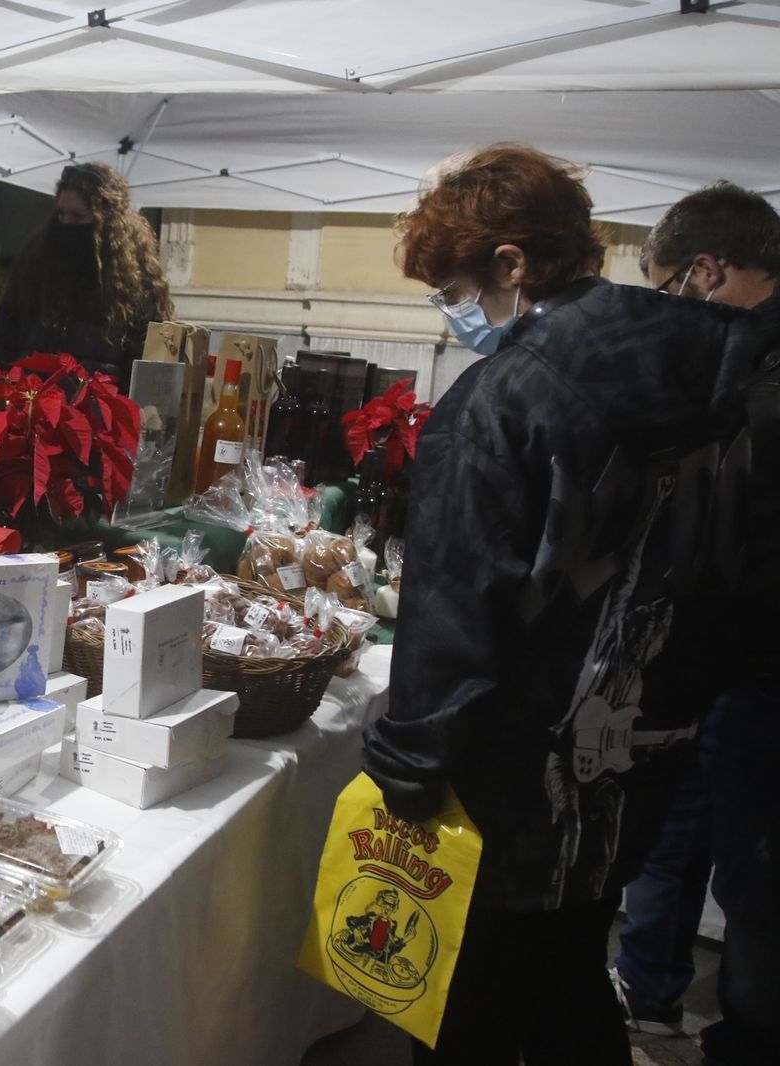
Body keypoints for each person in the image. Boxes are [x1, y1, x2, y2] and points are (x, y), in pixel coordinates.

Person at [360, 144, 762, 1065]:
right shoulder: (715, 363)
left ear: (511, 265)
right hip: (639, 765)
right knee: (571, 977)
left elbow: (453, 624)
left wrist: (409, 769)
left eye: (456, 287)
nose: (454, 313)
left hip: (513, 789)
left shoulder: (499, 404)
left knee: (471, 1013)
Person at [630, 181, 780, 1066]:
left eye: (664, 290)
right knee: (674, 841)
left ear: (705, 272)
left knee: (756, 890)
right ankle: (649, 999)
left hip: (758, 671)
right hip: (715, 664)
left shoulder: (756, 385)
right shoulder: (749, 364)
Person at [0, 162, 174, 390]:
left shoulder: (136, 282)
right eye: (61, 214)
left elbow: (144, 366)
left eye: (78, 216)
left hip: (97, 416)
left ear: (107, 222)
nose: (66, 223)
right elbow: (4, 342)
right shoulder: (37, 261)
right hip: (31, 408)